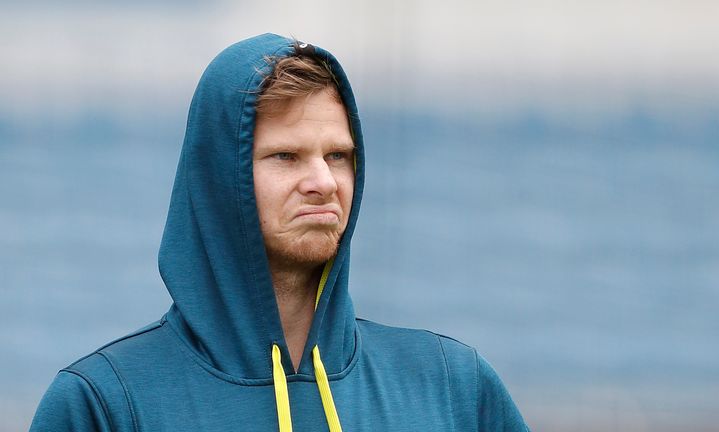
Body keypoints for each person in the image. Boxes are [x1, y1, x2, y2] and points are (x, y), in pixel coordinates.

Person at [30, 33, 530, 432]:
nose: (323, 182)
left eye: (338, 156)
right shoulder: (105, 403)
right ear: (216, 180)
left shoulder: (451, 385)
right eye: (285, 156)